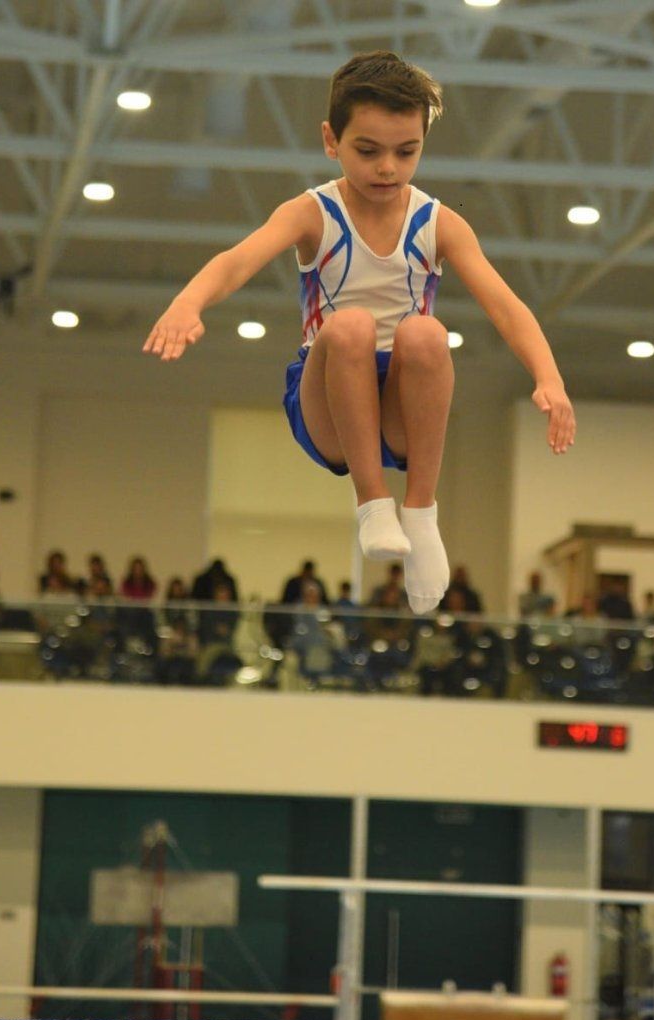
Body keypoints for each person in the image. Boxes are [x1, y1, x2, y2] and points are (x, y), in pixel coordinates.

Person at [143, 50, 575, 615]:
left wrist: (550, 378)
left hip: (401, 399)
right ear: (331, 140)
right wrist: (188, 302)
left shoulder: (439, 222)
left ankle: (420, 514)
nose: (387, 168)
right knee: (350, 327)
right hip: (327, 398)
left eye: (406, 151)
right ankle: (372, 502)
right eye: (367, 151)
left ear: (423, 142)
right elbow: (236, 260)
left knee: (425, 334)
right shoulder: (311, 213)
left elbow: (506, 306)